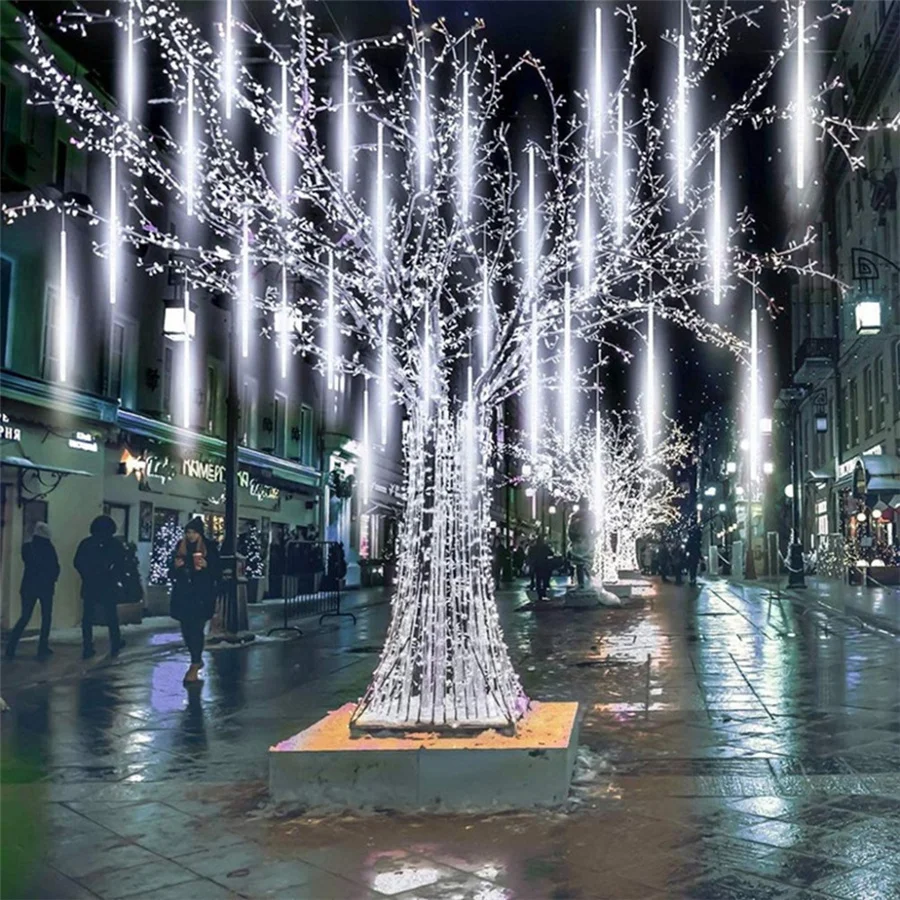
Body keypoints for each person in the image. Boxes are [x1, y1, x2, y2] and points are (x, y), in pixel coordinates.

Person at [171, 517, 221, 686]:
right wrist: (175, 567)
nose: (190, 535)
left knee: (196, 629)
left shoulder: (209, 548)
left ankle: (194, 663)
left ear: (200, 533)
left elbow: (218, 572)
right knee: (186, 629)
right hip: (184, 595)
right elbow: (171, 571)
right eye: (188, 532)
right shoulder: (181, 546)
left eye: (193, 532)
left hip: (202, 595)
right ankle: (196, 659)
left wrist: (208, 566)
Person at [74, 515, 126, 659]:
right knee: (111, 616)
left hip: (90, 584)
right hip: (107, 585)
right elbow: (121, 564)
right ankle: (115, 642)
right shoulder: (115, 544)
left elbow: (77, 562)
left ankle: (87, 645)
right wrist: (115, 577)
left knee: (88, 617)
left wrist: (87, 574)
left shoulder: (86, 543)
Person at [5, 523, 60, 660]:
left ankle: (11, 647)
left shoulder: (27, 547)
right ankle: (43, 646)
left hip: (28, 586)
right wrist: (53, 579)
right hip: (46, 587)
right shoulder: (49, 548)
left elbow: (27, 561)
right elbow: (55, 566)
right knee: (46, 617)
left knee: (25, 616)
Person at [532, 533, 553, 601]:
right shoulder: (545, 547)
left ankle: (539, 594)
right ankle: (543, 593)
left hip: (537, 566)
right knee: (544, 580)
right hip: (544, 566)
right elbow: (551, 553)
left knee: (538, 580)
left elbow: (530, 556)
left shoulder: (534, 548)